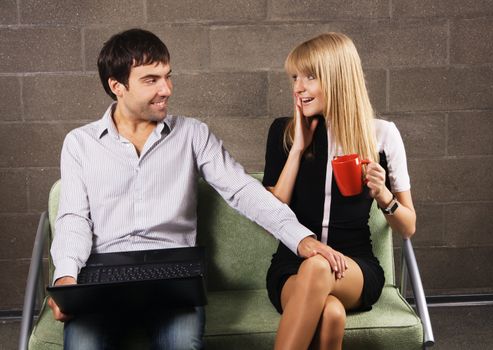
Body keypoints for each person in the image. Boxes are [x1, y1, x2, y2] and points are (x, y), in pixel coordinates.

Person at [47, 28, 348, 350]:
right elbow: (73, 218)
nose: (166, 89)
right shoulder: (81, 143)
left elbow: (242, 190)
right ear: (117, 86)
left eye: (168, 76)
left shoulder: (192, 134)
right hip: (103, 275)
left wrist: (300, 238)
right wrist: (66, 277)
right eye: (151, 80)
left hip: (173, 278)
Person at [263, 32, 417, 350]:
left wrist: (383, 196)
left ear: (338, 78)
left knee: (320, 267)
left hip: (355, 266)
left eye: (309, 77)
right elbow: (270, 212)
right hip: (291, 264)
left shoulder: (382, 135)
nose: (298, 88)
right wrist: (298, 149)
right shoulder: (284, 131)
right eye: (294, 78)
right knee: (331, 313)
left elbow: (408, 226)